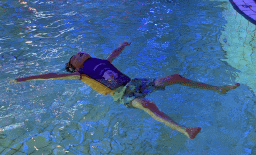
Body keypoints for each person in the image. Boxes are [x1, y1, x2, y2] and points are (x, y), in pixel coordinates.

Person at [10, 42, 240, 139]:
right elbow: (53, 75)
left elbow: (112, 57)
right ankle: (184, 130)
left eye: (80, 52)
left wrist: (120, 47)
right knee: (147, 105)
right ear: (74, 66)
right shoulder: (80, 73)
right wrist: (28, 77)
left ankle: (218, 89)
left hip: (135, 82)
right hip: (122, 93)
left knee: (176, 77)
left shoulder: (99, 61)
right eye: (75, 56)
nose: (79, 53)